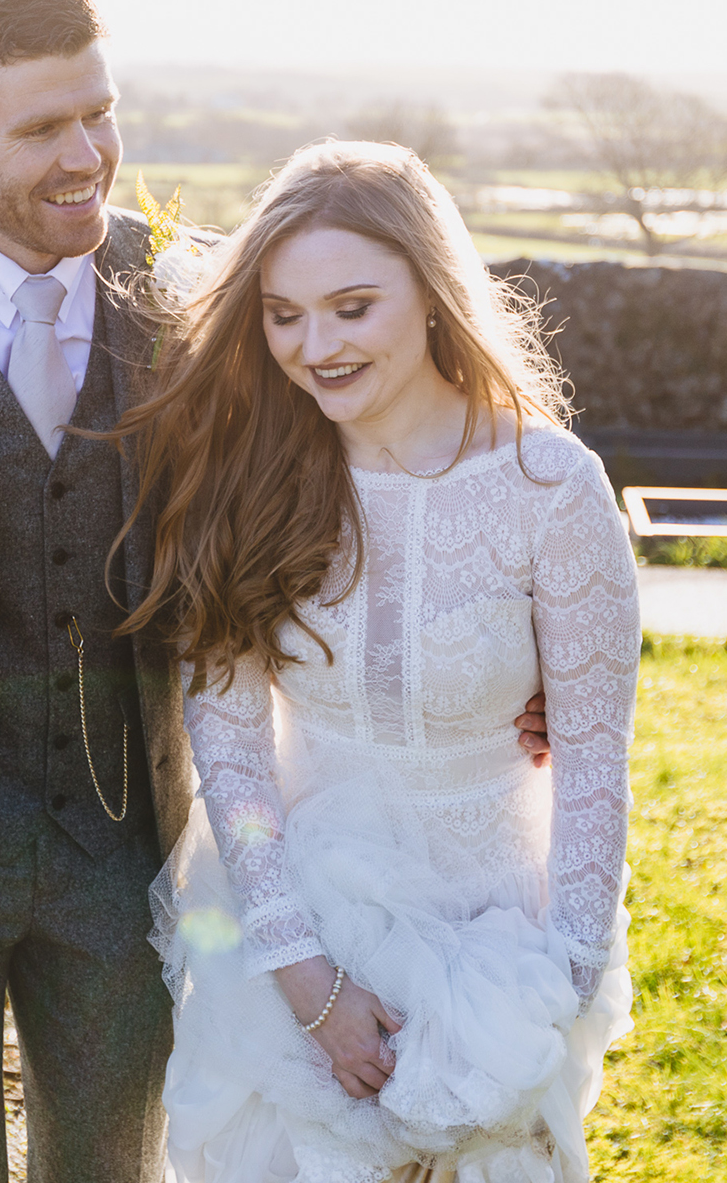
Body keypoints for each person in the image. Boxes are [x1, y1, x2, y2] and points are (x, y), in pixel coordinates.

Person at [0, 0, 550, 1183]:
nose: (86, 153)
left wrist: (509, 665)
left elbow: (345, 492)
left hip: (130, 849)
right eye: (42, 126)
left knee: (109, 1167)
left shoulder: (196, 295)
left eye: (98, 111)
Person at [115, 141, 639, 1183]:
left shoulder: (551, 489)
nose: (315, 345)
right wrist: (306, 984)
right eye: (283, 313)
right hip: (293, 928)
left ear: (432, 291)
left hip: (499, 938)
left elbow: (594, 773)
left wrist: (535, 1011)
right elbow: (229, 752)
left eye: (351, 306)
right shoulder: (248, 473)